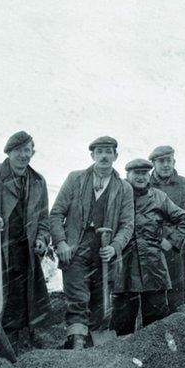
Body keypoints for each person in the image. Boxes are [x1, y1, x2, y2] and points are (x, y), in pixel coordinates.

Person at [0, 131, 51, 359]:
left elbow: (43, 218)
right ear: (8, 152)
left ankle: (11, 350)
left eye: (28, 151)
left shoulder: (38, 181)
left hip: (23, 252)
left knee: (17, 299)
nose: (23, 155)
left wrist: (42, 239)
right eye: (18, 151)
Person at [50, 136, 134, 349]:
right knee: (78, 298)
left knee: (101, 301)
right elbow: (56, 213)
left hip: (105, 253)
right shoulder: (75, 179)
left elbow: (127, 225)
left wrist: (115, 247)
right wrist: (60, 243)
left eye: (109, 151)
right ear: (92, 156)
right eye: (100, 152)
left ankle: (93, 355)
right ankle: (77, 345)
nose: (104, 156)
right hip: (75, 249)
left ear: (116, 156)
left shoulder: (124, 188)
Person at [112, 158, 185, 335]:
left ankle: (152, 359)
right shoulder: (117, 195)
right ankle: (121, 360)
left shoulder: (159, 197)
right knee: (122, 324)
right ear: (128, 175)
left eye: (144, 173)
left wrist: (171, 241)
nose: (141, 177)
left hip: (154, 267)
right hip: (123, 268)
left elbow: (184, 219)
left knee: (155, 325)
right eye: (136, 173)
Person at [149, 145, 185, 310]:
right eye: (161, 161)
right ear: (153, 163)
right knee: (156, 295)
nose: (166, 165)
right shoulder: (144, 185)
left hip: (182, 247)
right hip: (154, 246)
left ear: (174, 161)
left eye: (169, 160)